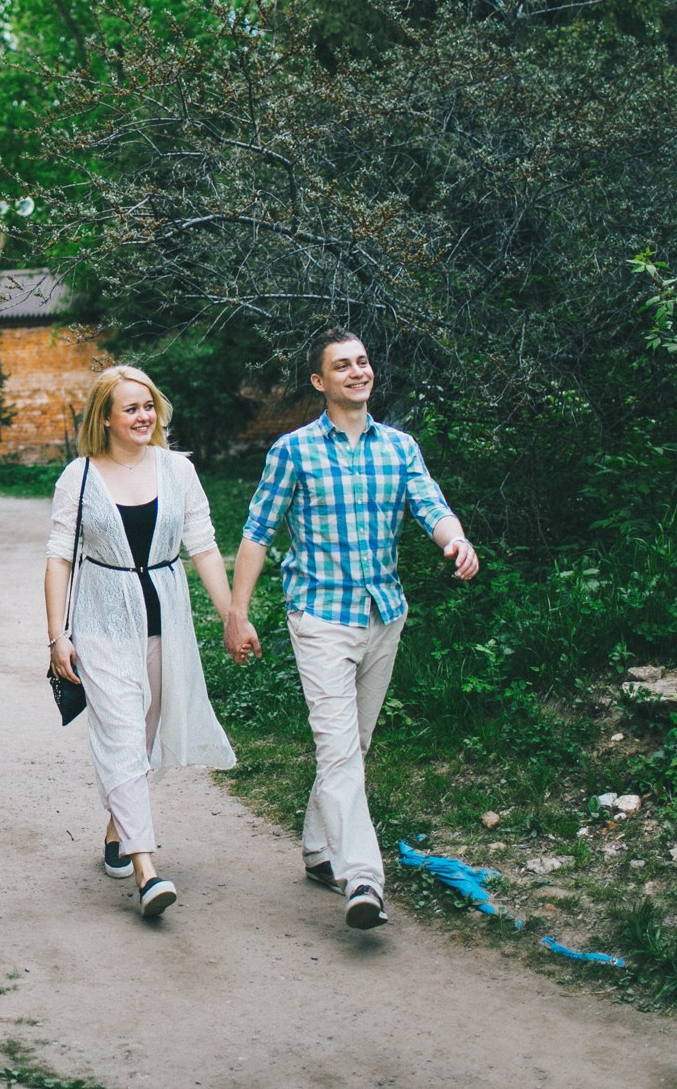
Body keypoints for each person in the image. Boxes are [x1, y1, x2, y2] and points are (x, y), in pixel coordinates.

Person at [222, 328, 480, 930]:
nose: (358, 372)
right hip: (319, 620)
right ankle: (361, 877)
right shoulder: (293, 451)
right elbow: (258, 533)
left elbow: (431, 505)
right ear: (320, 382)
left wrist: (457, 540)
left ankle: (317, 849)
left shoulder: (399, 447)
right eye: (343, 365)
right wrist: (239, 612)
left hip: (383, 614)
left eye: (362, 362)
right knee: (339, 753)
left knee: (353, 747)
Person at [46, 365, 237, 918]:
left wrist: (231, 617)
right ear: (105, 418)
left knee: (144, 735)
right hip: (102, 626)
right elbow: (59, 559)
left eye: (148, 406)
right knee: (122, 732)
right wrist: (57, 636)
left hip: (165, 623)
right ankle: (146, 870)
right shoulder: (79, 478)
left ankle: (115, 829)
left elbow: (203, 545)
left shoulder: (177, 470)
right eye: (130, 408)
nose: (142, 416)